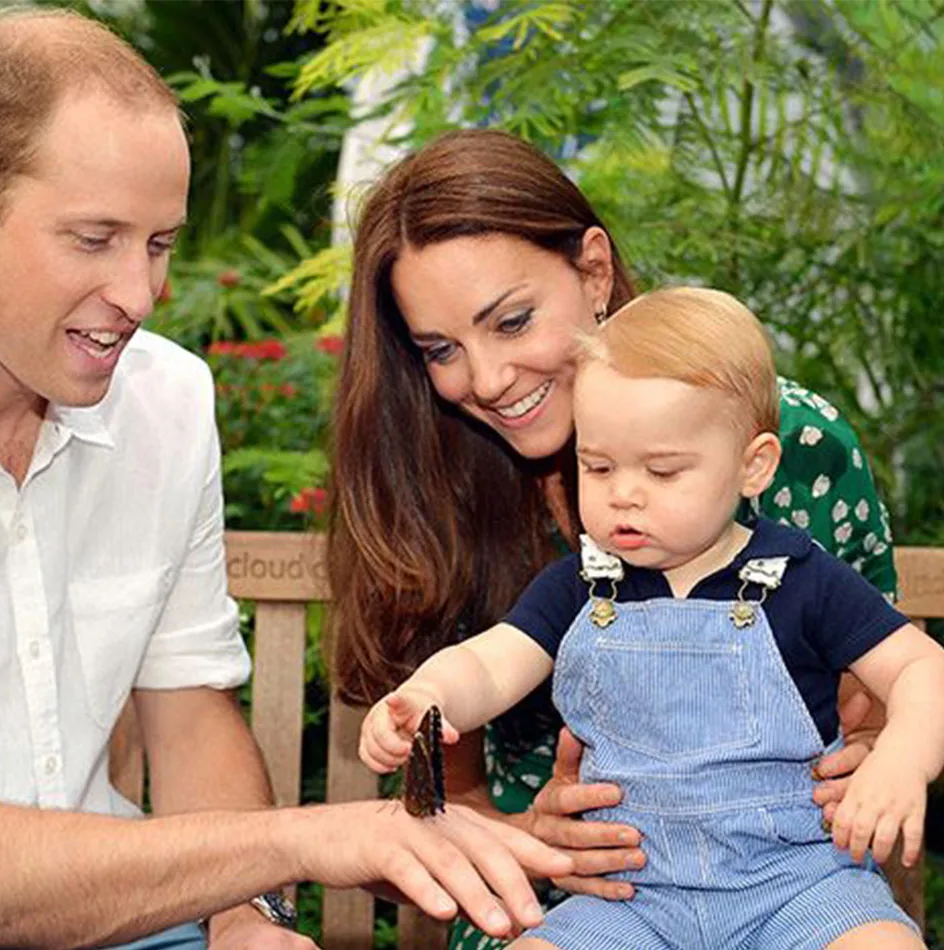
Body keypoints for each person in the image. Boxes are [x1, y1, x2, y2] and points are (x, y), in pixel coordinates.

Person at [0, 11, 579, 949]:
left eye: (160, 244)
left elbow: (189, 716)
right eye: (95, 239)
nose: (140, 294)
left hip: (131, 919)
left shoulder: (165, 401)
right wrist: (299, 837)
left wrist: (245, 917)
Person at [327, 129, 903, 949]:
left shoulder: (783, 443)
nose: (486, 380)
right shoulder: (437, 487)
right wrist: (528, 840)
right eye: (442, 351)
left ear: (593, 271)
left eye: (513, 320)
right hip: (574, 905)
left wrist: (882, 749)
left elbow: (885, 690)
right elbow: (439, 803)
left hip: (786, 882)